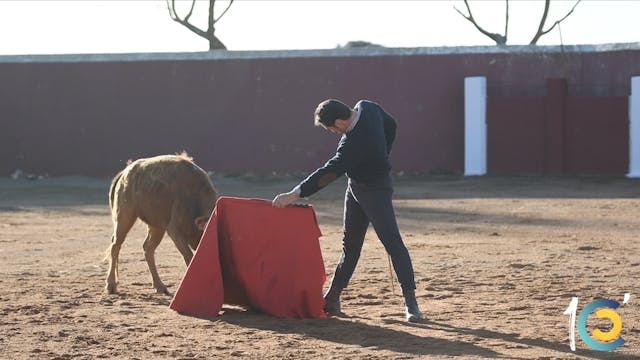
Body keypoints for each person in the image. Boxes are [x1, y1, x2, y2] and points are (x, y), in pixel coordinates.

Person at [272, 99, 422, 322]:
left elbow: (329, 172)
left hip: (375, 190)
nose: (333, 132)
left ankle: (412, 305)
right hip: (356, 188)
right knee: (350, 245)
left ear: (341, 121)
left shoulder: (352, 144)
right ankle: (332, 298)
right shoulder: (368, 106)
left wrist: (295, 194)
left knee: (392, 242)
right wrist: (383, 153)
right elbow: (391, 124)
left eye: (332, 128)